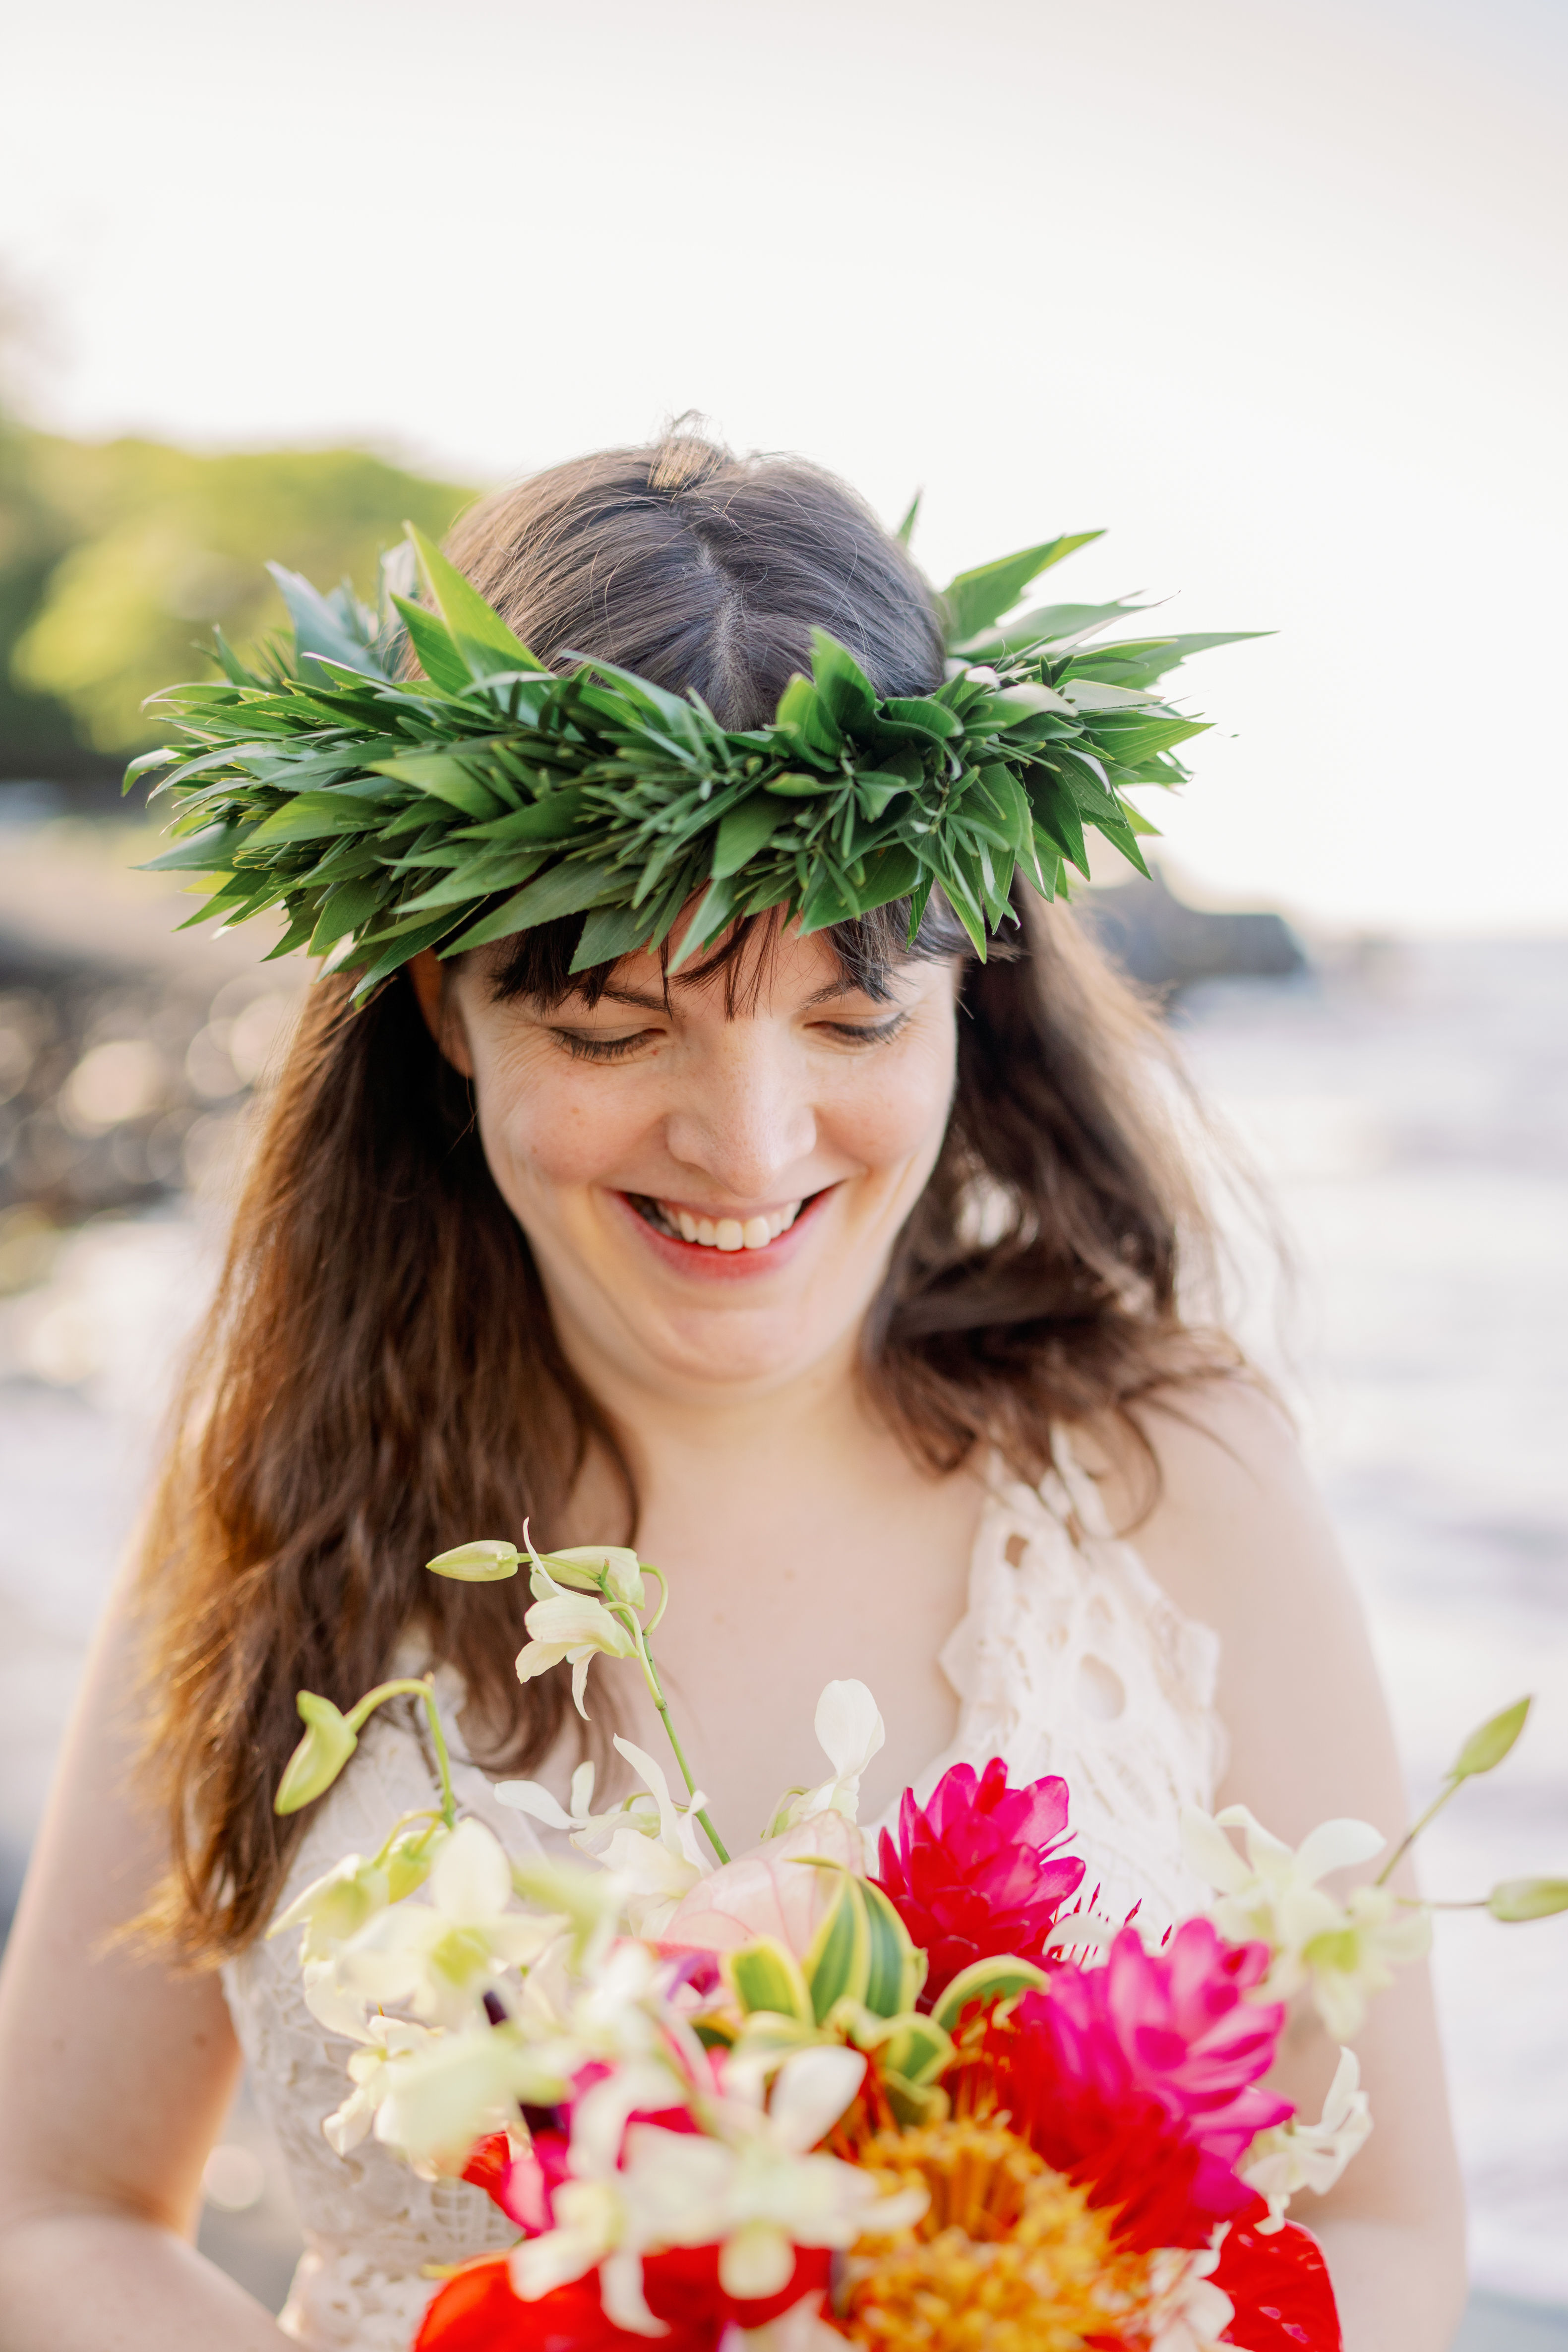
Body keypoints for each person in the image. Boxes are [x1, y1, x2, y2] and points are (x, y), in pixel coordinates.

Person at [0, 432, 1465, 2352]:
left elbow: (1383, 2222)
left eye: (851, 1016)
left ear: (968, 991)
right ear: (448, 1007)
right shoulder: (280, 1494)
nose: (746, 1143)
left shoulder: (1170, 1466)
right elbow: (58, 2212)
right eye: (611, 1023)